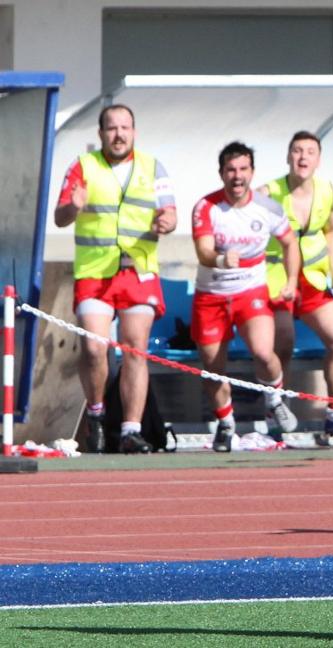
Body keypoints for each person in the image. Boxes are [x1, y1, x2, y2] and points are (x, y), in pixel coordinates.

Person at [53, 104, 176, 454]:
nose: (118, 134)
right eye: (111, 128)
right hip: (95, 272)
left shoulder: (153, 167)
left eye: (125, 128)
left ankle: (131, 430)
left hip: (138, 271)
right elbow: (60, 217)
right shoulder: (83, 166)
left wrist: (166, 222)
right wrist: (73, 207)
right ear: (101, 134)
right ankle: (96, 415)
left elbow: (171, 213)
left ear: (134, 132)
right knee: (95, 347)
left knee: (135, 349)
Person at [190, 142, 302, 453]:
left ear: (251, 172)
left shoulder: (267, 207)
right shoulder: (206, 207)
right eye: (231, 170)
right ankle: (225, 424)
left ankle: (274, 399)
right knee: (213, 369)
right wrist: (223, 260)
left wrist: (292, 280)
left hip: (250, 293)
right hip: (211, 295)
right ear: (221, 173)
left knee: (264, 353)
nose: (237, 177)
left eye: (243, 169)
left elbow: (291, 243)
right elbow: (203, 251)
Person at [260, 130, 333, 447]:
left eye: (310, 151)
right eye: (297, 151)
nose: (303, 157)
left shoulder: (327, 190)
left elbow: (332, 230)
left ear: (318, 158)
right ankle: (276, 415)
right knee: (283, 342)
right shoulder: (268, 192)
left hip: (313, 279)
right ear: (288, 156)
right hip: (277, 279)